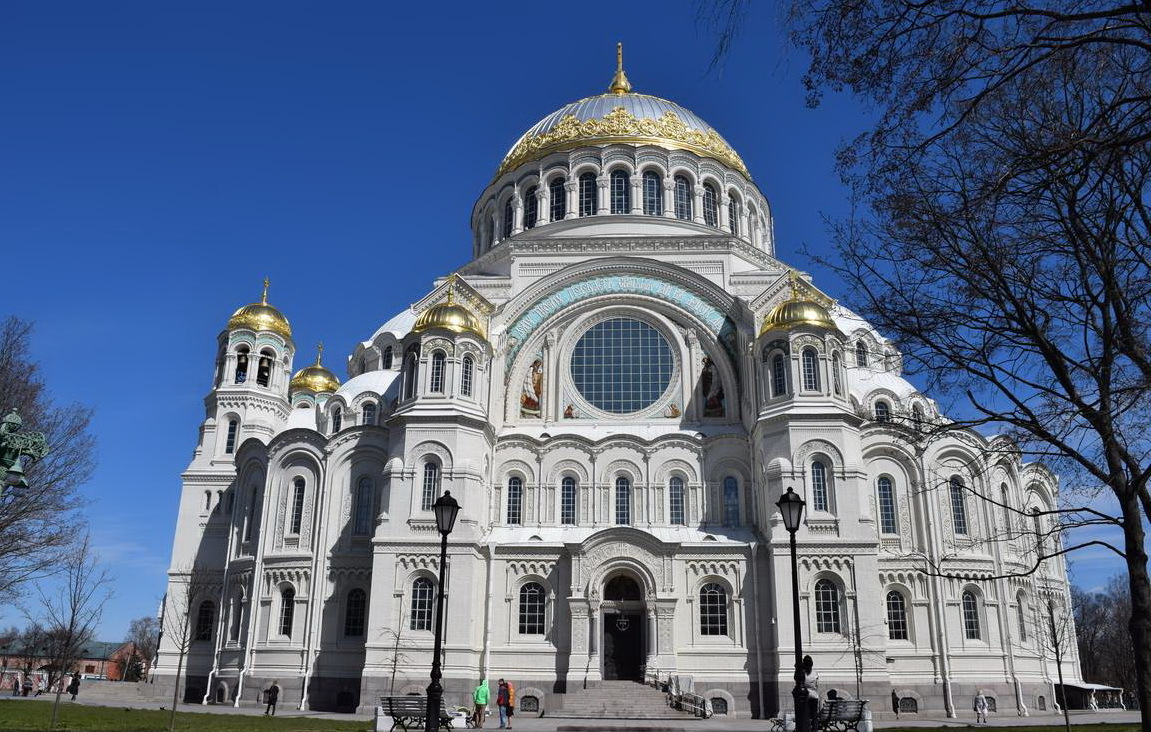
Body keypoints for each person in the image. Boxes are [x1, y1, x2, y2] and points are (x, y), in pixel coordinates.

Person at [802, 655, 819, 732]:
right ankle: (815, 729)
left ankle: (807, 729)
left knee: (807, 715)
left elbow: (801, 684)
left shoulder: (803, 674)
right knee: (814, 716)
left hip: (807, 697)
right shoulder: (815, 674)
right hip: (814, 696)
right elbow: (817, 685)